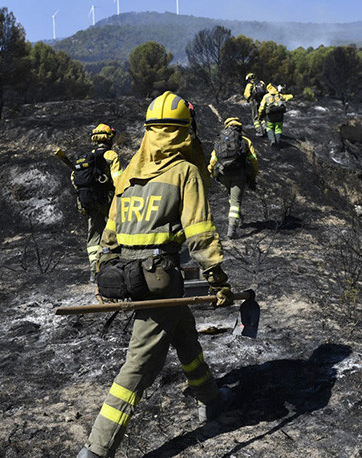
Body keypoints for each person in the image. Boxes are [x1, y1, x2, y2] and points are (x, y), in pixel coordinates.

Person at [78, 92, 235, 458]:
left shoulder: (130, 172)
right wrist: (218, 280)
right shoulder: (186, 172)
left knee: (183, 332)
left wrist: (103, 270)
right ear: (185, 132)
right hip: (161, 277)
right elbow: (200, 233)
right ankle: (97, 449)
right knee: (138, 366)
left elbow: (110, 232)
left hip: (128, 274)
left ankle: (210, 397)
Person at [72, 124, 124, 283]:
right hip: (107, 202)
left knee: (94, 236)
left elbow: (75, 181)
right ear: (109, 139)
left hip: (89, 203)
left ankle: (94, 271)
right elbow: (118, 181)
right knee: (115, 231)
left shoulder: (86, 158)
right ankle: (113, 265)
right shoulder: (111, 156)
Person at [208, 117, 259, 239]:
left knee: (232, 196)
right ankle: (232, 229)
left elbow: (213, 160)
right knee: (235, 202)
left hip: (223, 174)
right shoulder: (245, 140)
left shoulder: (220, 140)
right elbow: (254, 160)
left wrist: (212, 173)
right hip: (239, 174)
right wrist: (253, 175)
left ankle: (238, 217)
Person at [258, 83, 294, 148]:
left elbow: (262, 107)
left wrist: (260, 115)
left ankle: (272, 141)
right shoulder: (280, 95)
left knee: (269, 127)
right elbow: (290, 96)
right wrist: (287, 93)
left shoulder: (266, 96)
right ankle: (277, 142)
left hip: (270, 115)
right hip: (280, 114)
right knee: (278, 129)